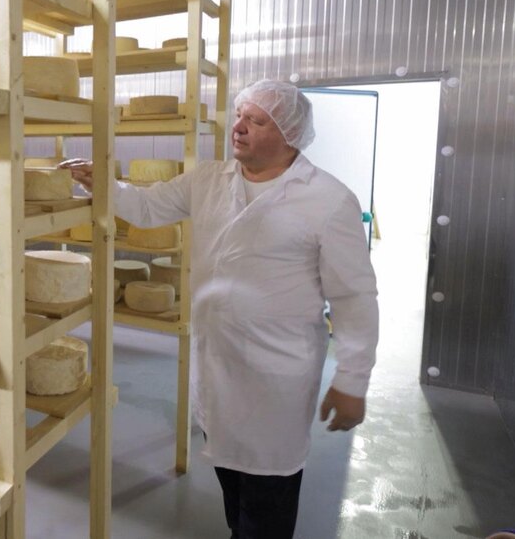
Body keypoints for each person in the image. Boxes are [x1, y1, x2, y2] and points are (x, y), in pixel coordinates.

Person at [61, 79, 379, 539]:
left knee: (268, 490)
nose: (239, 127)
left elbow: (354, 297)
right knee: (229, 473)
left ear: (289, 134)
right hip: (216, 362)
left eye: (257, 120)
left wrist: (352, 380)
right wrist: (103, 183)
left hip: (278, 374)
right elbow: (147, 208)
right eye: (240, 115)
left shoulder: (328, 199)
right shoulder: (209, 179)